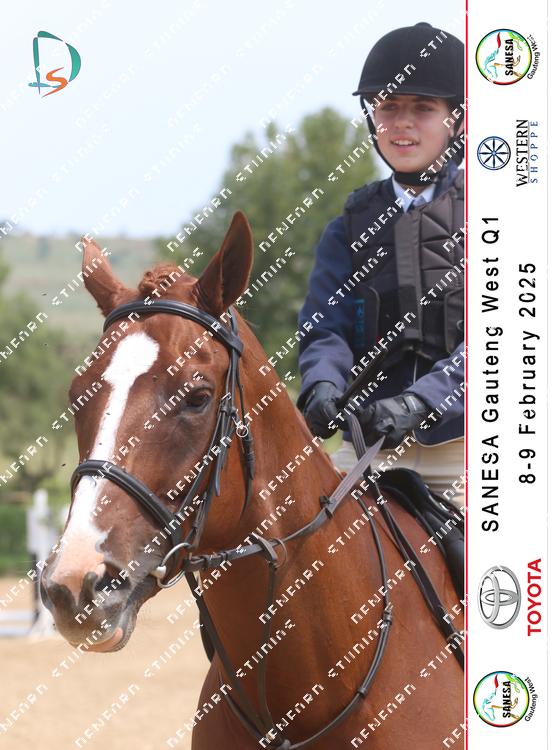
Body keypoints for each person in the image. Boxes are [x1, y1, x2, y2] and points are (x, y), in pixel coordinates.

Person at [296, 22, 465, 508]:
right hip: (368, 447)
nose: (402, 123)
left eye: (423, 108)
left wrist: (421, 402)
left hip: (467, 448)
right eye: (388, 107)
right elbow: (325, 329)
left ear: (457, 120)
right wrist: (322, 383)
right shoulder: (347, 228)